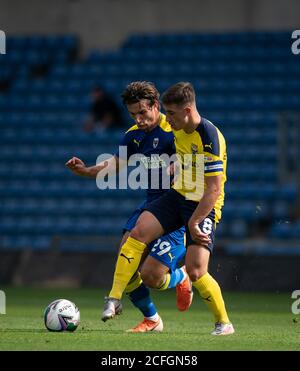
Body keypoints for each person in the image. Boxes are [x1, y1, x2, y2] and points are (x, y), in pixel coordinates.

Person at [104, 82, 235, 336]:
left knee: (197, 270)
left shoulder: (209, 137)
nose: (167, 120)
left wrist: (195, 223)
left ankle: (224, 322)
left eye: (171, 114)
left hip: (203, 204)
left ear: (187, 111)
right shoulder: (176, 129)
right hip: (178, 196)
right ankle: (114, 297)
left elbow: (213, 190)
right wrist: (176, 166)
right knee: (138, 232)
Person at [66, 81, 193, 333]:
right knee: (126, 258)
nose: (139, 119)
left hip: (177, 208)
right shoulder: (133, 135)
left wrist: (179, 166)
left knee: (152, 278)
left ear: (156, 106)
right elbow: (114, 165)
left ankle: (182, 276)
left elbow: (193, 157)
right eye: (133, 114)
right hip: (152, 206)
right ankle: (152, 319)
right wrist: (85, 170)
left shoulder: (175, 128)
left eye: (142, 112)